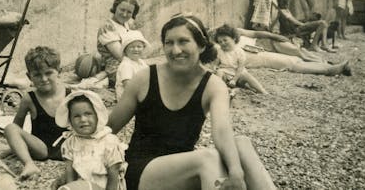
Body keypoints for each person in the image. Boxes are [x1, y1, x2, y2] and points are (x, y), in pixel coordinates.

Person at [108, 14, 276, 190]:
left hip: (183, 172)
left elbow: (222, 131)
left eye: (183, 41)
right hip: (141, 171)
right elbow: (109, 128)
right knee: (208, 158)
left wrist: (236, 172)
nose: (175, 50)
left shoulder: (213, 85)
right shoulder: (145, 78)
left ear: (201, 46)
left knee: (241, 143)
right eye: (169, 43)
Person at [3, 46, 67, 179]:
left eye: (48, 73)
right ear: (29, 76)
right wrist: (17, 147)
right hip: (40, 149)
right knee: (9, 128)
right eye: (37, 75)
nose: (43, 79)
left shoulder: (70, 95)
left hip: (66, 149)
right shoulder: (29, 98)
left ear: (59, 71)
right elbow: (17, 127)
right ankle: (29, 164)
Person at [55, 90, 127, 190]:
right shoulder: (70, 143)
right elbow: (70, 174)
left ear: (98, 115)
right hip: (81, 186)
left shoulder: (109, 142)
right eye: (76, 116)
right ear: (70, 120)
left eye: (88, 114)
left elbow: (113, 174)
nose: (83, 119)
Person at [97, 0, 140, 88]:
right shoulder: (107, 27)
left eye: (129, 12)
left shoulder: (128, 24)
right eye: (122, 9)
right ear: (115, 7)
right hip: (116, 69)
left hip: (130, 63)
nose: (125, 14)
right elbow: (120, 56)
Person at [212, 24, 267, 94]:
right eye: (220, 42)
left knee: (246, 75)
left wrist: (234, 80)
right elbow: (217, 62)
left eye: (225, 40)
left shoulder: (239, 52)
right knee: (219, 72)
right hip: (225, 72)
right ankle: (220, 88)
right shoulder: (220, 51)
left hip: (237, 73)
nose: (223, 43)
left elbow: (240, 68)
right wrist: (214, 68)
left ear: (234, 39)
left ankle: (261, 90)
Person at [115, 30, 150, 99]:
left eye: (139, 46)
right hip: (128, 98)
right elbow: (128, 85)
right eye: (132, 47)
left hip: (139, 92)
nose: (136, 49)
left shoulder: (141, 62)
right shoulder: (126, 65)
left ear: (143, 48)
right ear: (125, 50)